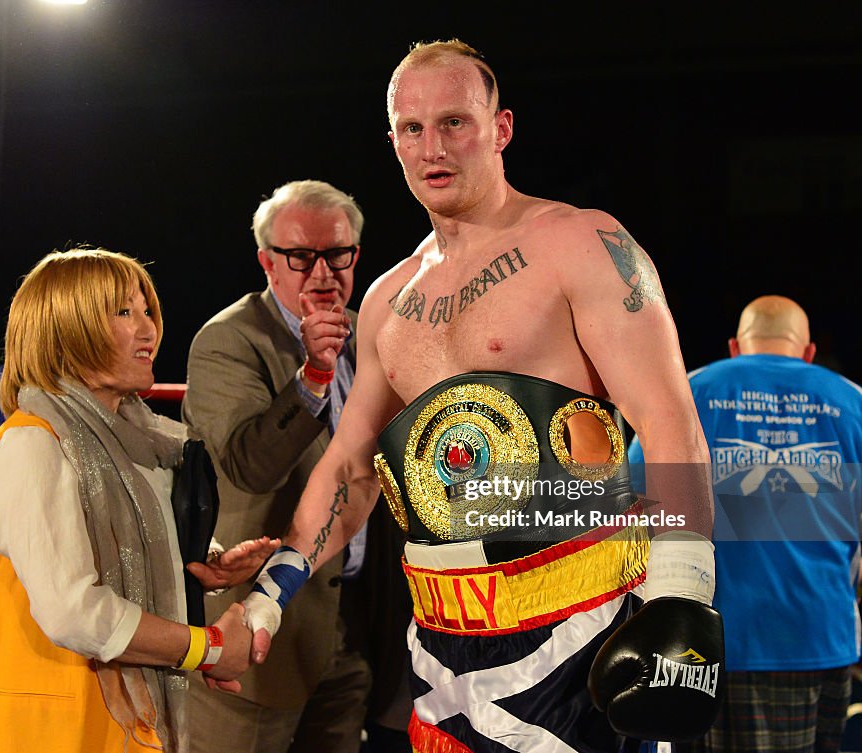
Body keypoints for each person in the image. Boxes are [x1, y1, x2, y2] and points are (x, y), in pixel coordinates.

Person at [240, 39, 726, 753]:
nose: (432, 147)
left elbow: (670, 421)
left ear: (499, 128)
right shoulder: (387, 300)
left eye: (454, 122)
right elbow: (350, 468)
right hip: (440, 647)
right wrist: (267, 596)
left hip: (580, 627)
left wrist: (682, 590)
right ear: (394, 142)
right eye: (412, 128)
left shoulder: (580, 242)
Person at [0, 247, 279, 753]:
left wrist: (205, 561)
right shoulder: (33, 445)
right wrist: (208, 649)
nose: (149, 329)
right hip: (53, 733)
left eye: (147, 310)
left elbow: (135, 546)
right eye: (123, 312)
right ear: (66, 328)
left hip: (127, 728)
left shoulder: (137, 444)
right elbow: (73, 611)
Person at [182, 179, 412, 753]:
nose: (322, 272)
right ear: (267, 262)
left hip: (356, 623)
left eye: (338, 254)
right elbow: (247, 467)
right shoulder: (227, 341)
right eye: (300, 256)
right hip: (255, 636)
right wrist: (311, 376)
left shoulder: (375, 335)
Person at [629, 295, 862, 753]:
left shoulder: (689, 392)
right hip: (819, 636)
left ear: (736, 346)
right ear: (809, 351)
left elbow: (634, 510)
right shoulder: (852, 401)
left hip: (701, 644)